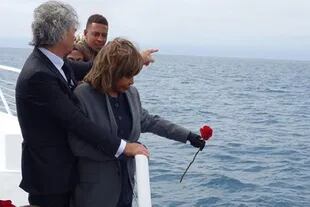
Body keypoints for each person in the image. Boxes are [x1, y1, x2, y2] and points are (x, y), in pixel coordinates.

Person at [15, 1, 157, 207]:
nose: (75, 36)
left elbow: (98, 67)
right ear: (60, 33)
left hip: (62, 171)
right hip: (50, 177)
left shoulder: (54, 63)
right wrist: (124, 147)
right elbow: (76, 121)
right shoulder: (39, 75)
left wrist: (134, 60)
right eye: (73, 30)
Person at [69, 38, 207, 207]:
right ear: (112, 71)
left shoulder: (132, 94)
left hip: (125, 189)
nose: (132, 81)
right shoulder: (82, 95)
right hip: (95, 194)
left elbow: (149, 121)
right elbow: (77, 145)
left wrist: (188, 136)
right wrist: (124, 149)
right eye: (127, 75)